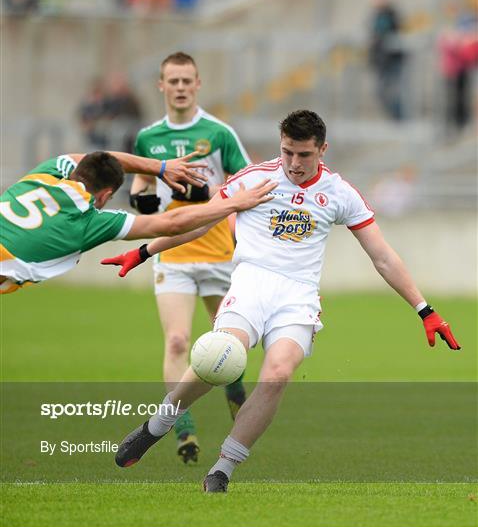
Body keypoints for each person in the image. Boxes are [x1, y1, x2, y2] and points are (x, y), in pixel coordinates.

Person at [103, 110, 460, 492]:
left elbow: (383, 256)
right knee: (220, 357)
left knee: (277, 375)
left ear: (323, 150)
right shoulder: (254, 179)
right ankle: (157, 426)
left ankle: (222, 469)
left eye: (304, 155)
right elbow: (200, 222)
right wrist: (143, 252)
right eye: (287, 152)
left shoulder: (340, 193)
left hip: (298, 296)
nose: (294, 163)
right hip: (250, 283)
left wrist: (425, 310)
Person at [130, 51, 251, 463]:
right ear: (161, 86)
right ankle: (184, 430)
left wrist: (211, 197)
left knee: (230, 342)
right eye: (173, 81)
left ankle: (234, 388)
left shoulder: (219, 134)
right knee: (178, 339)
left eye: (187, 81)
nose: (180, 88)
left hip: (219, 252)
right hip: (173, 253)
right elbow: (143, 184)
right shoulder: (148, 138)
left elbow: (247, 186)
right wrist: (142, 198)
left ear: (198, 84)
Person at [0, 150, 275, 294]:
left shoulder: (47, 173)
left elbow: (99, 156)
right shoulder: (92, 221)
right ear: (107, 195)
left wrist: (161, 167)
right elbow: (172, 223)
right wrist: (235, 203)